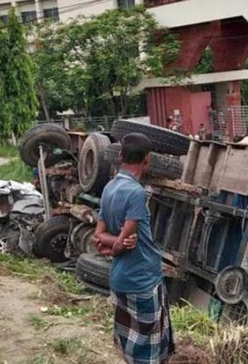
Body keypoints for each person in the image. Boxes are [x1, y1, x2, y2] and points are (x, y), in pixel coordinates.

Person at [95, 133, 174, 364]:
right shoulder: (136, 193)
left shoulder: (109, 187)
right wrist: (117, 246)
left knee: (131, 350)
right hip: (143, 281)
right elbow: (123, 243)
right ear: (147, 160)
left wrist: (110, 246)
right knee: (149, 355)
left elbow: (98, 235)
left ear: (120, 156)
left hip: (120, 279)